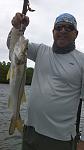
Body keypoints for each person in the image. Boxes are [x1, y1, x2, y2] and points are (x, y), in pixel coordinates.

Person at [7, 12, 84, 150]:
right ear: (53, 31)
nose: (63, 31)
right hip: (30, 131)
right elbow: (13, 46)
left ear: (76, 33)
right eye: (59, 27)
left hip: (60, 139)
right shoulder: (41, 50)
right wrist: (18, 28)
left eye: (68, 28)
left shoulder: (82, 61)